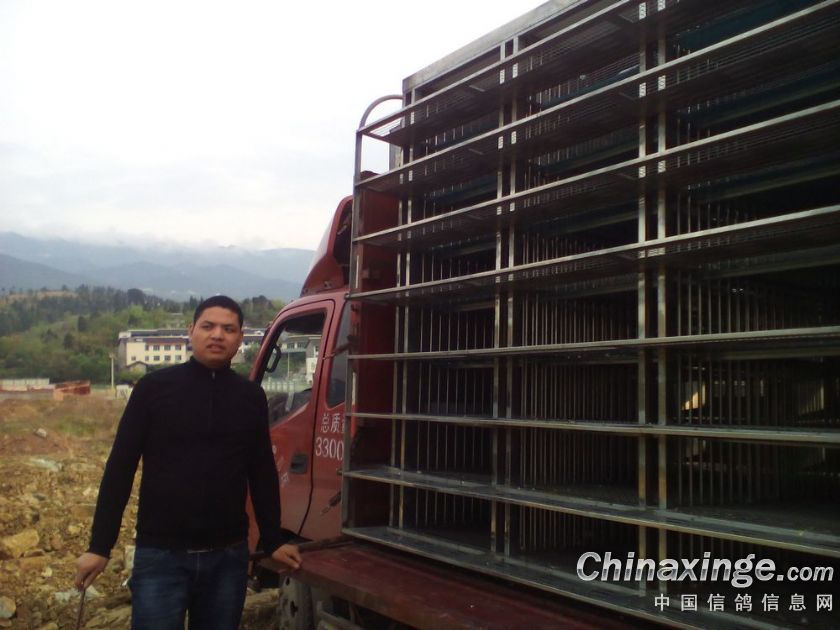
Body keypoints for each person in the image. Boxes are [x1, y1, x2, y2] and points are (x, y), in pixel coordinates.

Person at [75, 295, 301, 629]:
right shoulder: (153, 390)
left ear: (240, 338)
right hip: (161, 556)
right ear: (190, 330)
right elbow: (120, 468)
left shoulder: (250, 397)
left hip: (227, 557)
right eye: (208, 326)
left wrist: (272, 540)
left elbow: (261, 471)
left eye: (228, 329)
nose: (217, 335)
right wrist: (100, 546)